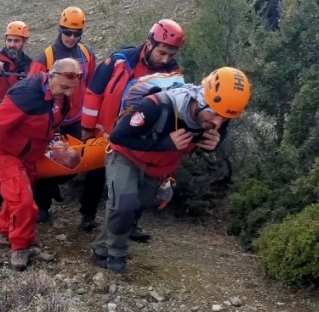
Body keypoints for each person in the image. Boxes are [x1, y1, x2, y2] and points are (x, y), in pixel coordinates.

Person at [93, 67, 251, 273]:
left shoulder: (218, 118)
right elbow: (118, 137)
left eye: (224, 118)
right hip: (126, 156)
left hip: (159, 167)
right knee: (123, 204)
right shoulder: (156, 106)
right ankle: (113, 254)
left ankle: (111, 241)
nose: (217, 123)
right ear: (201, 99)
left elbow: (209, 138)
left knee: (136, 206)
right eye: (214, 114)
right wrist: (165, 143)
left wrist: (213, 144)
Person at [80, 18, 184, 239]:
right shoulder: (121, 61)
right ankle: (87, 214)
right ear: (150, 43)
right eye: (162, 53)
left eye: (170, 55)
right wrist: (87, 130)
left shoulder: (173, 75)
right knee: (96, 175)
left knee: (137, 183)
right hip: (107, 132)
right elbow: (94, 92)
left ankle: (130, 224)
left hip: (141, 138)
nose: (165, 59)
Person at [0, 59, 82, 270]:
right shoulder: (26, 95)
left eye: (72, 89)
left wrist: (57, 149)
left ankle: (4, 231)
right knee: (24, 203)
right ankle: (20, 247)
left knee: (16, 196)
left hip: (30, 154)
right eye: (65, 87)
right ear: (52, 76)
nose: (69, 93)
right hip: (8, 153)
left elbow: (50, 127)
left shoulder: (59, 97)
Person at [28, 6, 97, 224]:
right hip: (50, 121)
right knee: (47, 160)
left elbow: (93, 86)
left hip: (77, 119)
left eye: (77, 34)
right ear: (60, 29)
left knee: (81, 161)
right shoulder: (46, 58)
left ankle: (81, 206)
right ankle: (42, 206)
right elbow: (31, 89)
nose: (71, 37)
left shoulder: (87, 55)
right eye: (67, 32)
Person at [0, 21, 35, 217]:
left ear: (24, 42)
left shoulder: (30, 65)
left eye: (17, 40)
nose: (12, 44)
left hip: (22, 120)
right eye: (9, 40)